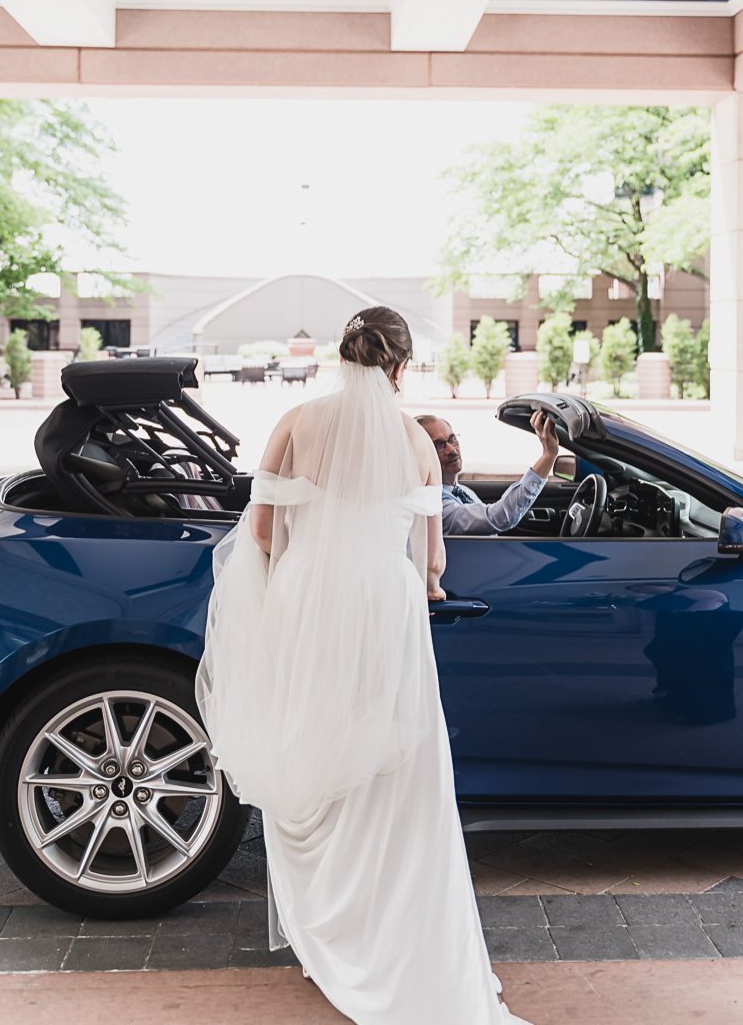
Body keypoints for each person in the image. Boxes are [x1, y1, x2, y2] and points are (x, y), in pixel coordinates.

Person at [196, 306, 532, 1025]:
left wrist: (310, 574)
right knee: (393, 770)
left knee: (313, 747)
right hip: (387, 608)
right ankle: (393, 932)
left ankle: (327, 923)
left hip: (303, 597)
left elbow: (260, 530)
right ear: (401, 367)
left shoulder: (295, 422)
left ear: (339, 356)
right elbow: (433, 557)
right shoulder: (416, 439)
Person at [416, 410, 559, 535]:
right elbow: (498, 518)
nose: (452, 450)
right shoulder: (436, 507)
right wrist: (548, 455)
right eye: (439, 445)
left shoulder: (461, 491)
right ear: (421, 455)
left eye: (452, 439)